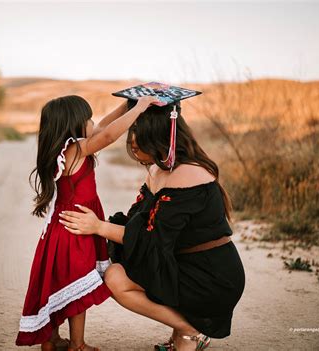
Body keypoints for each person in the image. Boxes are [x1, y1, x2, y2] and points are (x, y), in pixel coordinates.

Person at [59, 94, 246, 351]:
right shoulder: (159, 171)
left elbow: (151, 238)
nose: (133, 143)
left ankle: (189, 332)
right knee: (114, 275)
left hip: (210, 277)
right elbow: (138, 224)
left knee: (118, 275)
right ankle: (185, 328)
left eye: (139, 135)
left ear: (158, 136)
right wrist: (131, 104)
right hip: (182, 265)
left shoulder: (189, 173)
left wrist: (98, 227)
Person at [16, 94, 159, 351]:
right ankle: (78, 345)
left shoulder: (64, 149)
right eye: (88, 118)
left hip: (62, 228)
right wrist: (139, 108)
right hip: (76, 230)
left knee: (58, 285)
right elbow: (107, 136)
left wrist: (125, 105)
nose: (93, 122)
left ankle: (51, 341)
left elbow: (103, 126)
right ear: (75, 124)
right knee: (77, 288)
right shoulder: (75, 149)